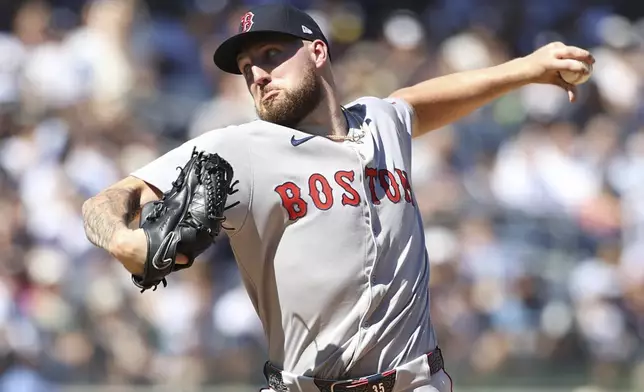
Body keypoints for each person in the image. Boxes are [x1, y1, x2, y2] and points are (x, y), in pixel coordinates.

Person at [81, 4, 594, 392]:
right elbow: (108, 198)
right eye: (246, 68)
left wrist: (527, 68)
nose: (257, 74)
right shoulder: (236, 148)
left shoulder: (379, 122)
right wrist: (125, 241)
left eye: (271, 55)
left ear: (318, 51)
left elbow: (419, 102)